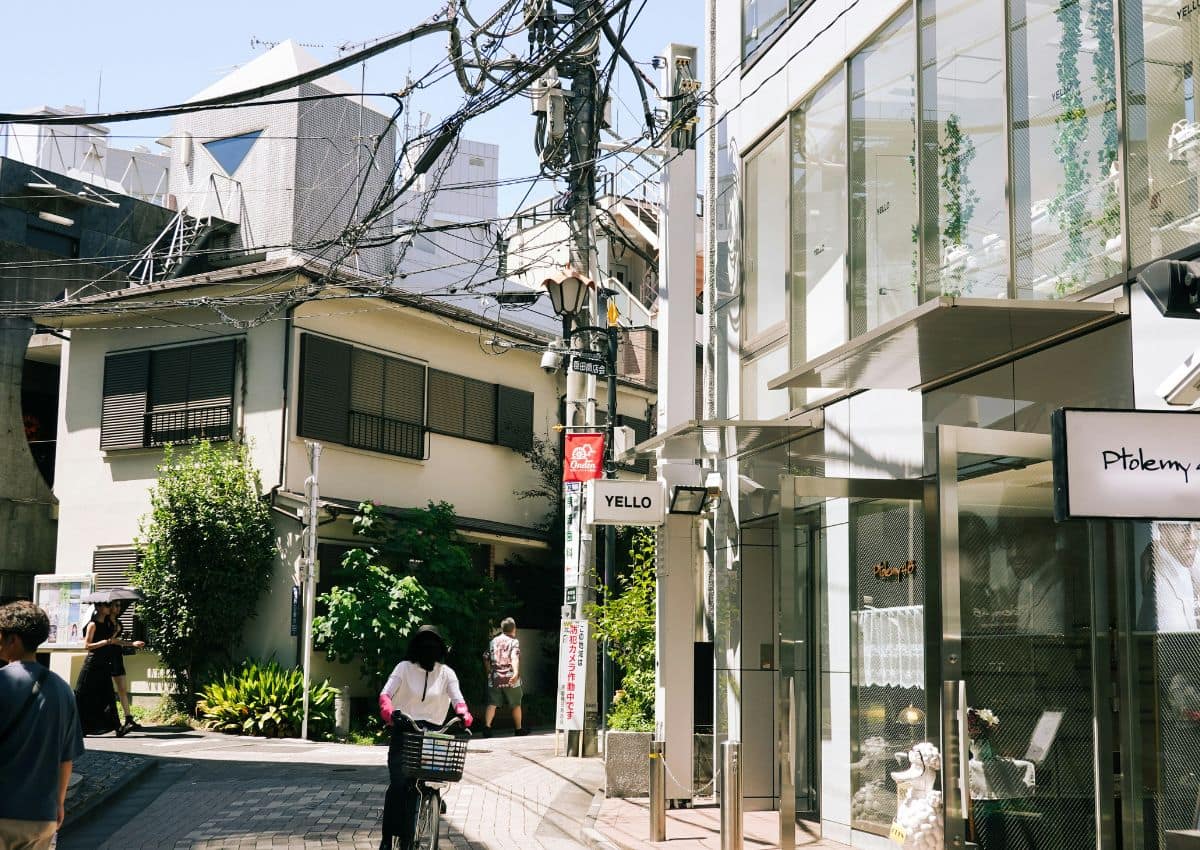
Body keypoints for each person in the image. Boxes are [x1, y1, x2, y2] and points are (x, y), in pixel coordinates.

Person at [0, 601, 85, 850]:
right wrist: (58, 803)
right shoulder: (62, 689)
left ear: (13, 639)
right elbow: (65, 759)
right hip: (40, 816)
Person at [378, 626, 472, 850]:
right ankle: (388, 839)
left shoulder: (446, 673)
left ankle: (432, 799)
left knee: (432, 777)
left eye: (433, 645)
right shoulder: (404, 668)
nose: (428, 649)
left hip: (434, 735)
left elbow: (458, 698)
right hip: (405, 729)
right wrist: (389, 712)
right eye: (424, 644)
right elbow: (385, 694)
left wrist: (464, 714)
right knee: (399, 785)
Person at [73, 603, 122, 736]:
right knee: (82, 694)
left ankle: (117, 726)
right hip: (92, 663)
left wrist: (116, 632)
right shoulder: (92, 624)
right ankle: (79, 727)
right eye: (106, 606)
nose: (109, 608)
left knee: (108, 694)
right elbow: (87, 645)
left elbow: (113, 639)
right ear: (99, 608)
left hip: (104, 663)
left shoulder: (107, 624)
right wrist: (104, 642)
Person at [481, 617, 526, 737]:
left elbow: (485, 656)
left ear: (502, 628)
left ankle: (487, 728)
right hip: (510, 677)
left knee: (492, 703)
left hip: (495, 677)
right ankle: (518, 729)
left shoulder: (493, 641)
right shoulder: (514, 641)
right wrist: (516, 673)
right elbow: (514, 657)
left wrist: (489, 671)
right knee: (516, 704)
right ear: (514, 629)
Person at [107, 601, 145, 732]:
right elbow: (111, 640)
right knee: (106, 691)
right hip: (106, 657)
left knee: (122, 688)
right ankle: (110, 721)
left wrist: (125, 638)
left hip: (117, 656)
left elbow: (117, 640)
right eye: (116, 605)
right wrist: (131, 643)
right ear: (109, 607)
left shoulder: (119, 622)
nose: (119, 608)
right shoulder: (104, 623)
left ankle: (128, 718)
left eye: (119, 605)